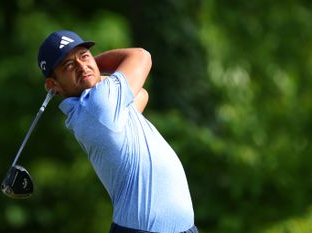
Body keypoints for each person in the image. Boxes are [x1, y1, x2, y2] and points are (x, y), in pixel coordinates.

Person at [37, 30, 198, 233]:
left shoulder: (95, 110)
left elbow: (141, 94)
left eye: (84, 56)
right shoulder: (99, 103)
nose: (81, 65)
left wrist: (88, 70)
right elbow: (142, 56)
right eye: (68, 65)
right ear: (54, 85)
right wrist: (94, 65)